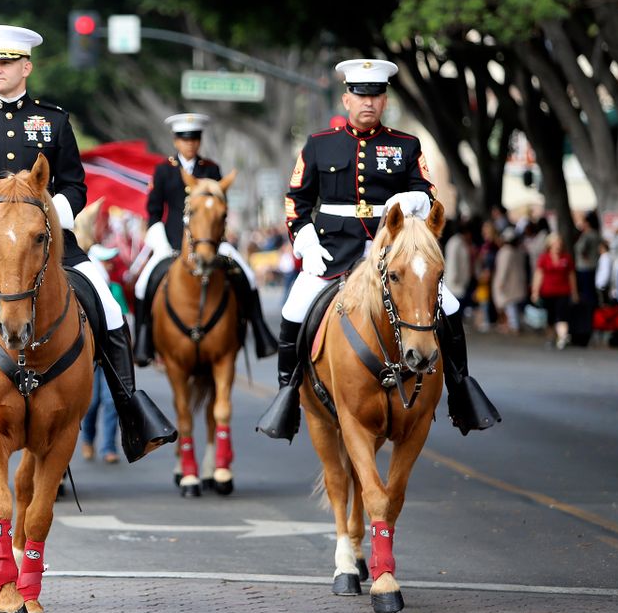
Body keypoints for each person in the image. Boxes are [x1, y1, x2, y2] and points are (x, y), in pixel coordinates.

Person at [0, 25, 175, 465]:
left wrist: (53, 220)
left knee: (109, 312)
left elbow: (74, 184)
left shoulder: (53, 121)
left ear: (25, 67)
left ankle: (131, 411)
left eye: (5, 62)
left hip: (50, 244)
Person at [258, 58, 499, 440]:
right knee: (294, 308)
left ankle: (461, 391)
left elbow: (429, 192)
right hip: (334, 251)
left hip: (393, 252)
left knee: (448, 305)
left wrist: (411, 199)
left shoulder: (405, 144)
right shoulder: (320, 145)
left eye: (375, 95)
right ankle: (288, 395)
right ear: (346, 99)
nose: (367, 102)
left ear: (384, 100)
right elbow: (296, 200)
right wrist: (305, 240)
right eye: (360, 94)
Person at [132, 112, 277, 365]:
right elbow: (154, 211)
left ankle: (260, 330)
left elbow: (222, 209)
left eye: (194, 139)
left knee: (247, 274)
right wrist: (162, 244)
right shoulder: (164, 170)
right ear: (176, 141)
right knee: (143, 284)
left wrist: (219, 238)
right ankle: (143, 341)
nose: (190, 144)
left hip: (211, 240)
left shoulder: (211, 168)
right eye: (184, 139)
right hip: (172, 241)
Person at [81, 243, 122, 463]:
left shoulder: (114, 288)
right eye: (105, 260)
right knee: (92, 401)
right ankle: (87, 440)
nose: (109, 263)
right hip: (88, 354)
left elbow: (124, 319)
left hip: (109, 354)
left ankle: (108, 446)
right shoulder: (82, 286)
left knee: (111, 400)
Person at [531, 232, 578, 350]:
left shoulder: (566, 258)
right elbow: (539, 274)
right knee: (550, 316)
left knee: (562, 315)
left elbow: (571, 276)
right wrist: (535, 291)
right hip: (548, 291)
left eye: (559, 243)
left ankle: (562, 338)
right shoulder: (544, 258)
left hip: (563, 291)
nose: (558, 246)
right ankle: (551, 336)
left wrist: (574, 292)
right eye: (555, 243)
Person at [491, 227, 528, 334]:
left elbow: (503, 269)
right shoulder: (519, 251)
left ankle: (514, 326)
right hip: (518, 283)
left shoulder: (505, 252)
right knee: (514, 306)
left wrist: (500, 283)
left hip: (508, 285)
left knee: (510, 306)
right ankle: (514, 325)